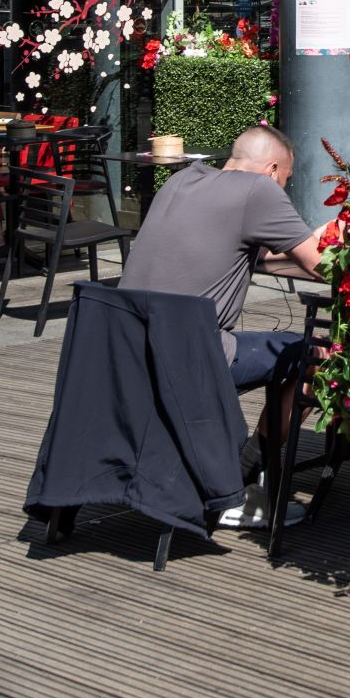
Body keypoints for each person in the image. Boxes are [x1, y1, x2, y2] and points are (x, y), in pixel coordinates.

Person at [119, 125, 326, 528]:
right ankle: (239, 479)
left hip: (126, 348)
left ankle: (228, 473)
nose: (284, 190)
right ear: (271, 170)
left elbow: (243, 252)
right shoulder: (259, 191)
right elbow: (322, 264)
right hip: (191, 358)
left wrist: (294, 255)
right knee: (318, 356)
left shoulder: (182, 180)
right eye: (286, 180)